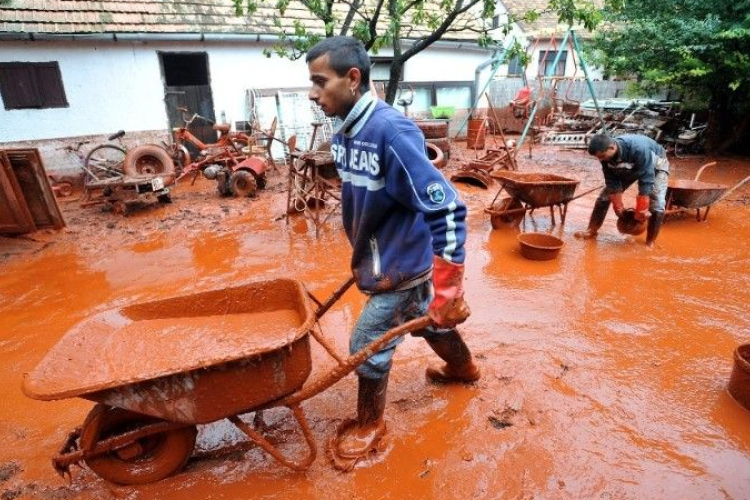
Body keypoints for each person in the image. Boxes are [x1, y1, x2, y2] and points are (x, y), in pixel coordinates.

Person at [305, 36, 480, 468]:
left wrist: (448, 289)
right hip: (381, 257)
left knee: (367, 341)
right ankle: (463, 369)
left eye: (319, 82)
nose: (312, 93)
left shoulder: (392, 132)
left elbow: (449, 208)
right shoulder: (345, 129)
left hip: (399, 267)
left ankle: (370, 425)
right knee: (429, 326)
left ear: (352, 78)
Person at [575, 133, 669, 247]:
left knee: (657, 203)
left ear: (612, 147)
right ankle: (591, 230)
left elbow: (647, 178)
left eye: (603, 156)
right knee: (604, 197)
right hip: (630, 167)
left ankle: (650, 242)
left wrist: (642, 208)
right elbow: (611, 180)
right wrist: (617, 205)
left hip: (655, 166)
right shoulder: (605, 156)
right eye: (599, 157)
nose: (601, 160)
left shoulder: (638, 149)